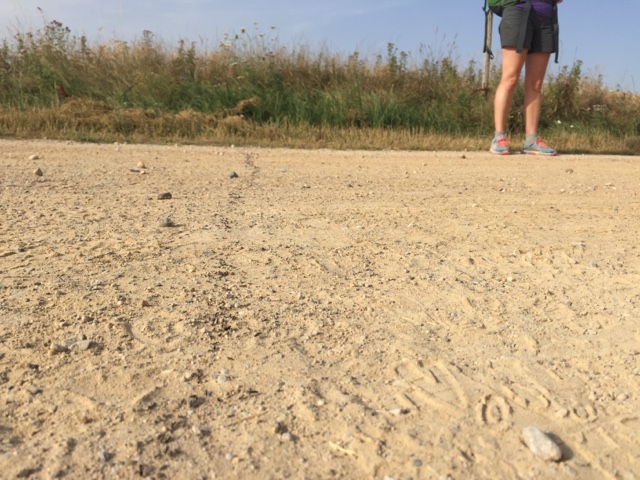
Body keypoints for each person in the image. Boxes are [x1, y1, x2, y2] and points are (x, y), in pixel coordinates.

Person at [490, 0, 563, 156]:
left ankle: (531, 141)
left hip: (545, 16)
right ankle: (499, 138)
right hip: (518, 10)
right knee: (510, 78)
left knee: (535, 85)